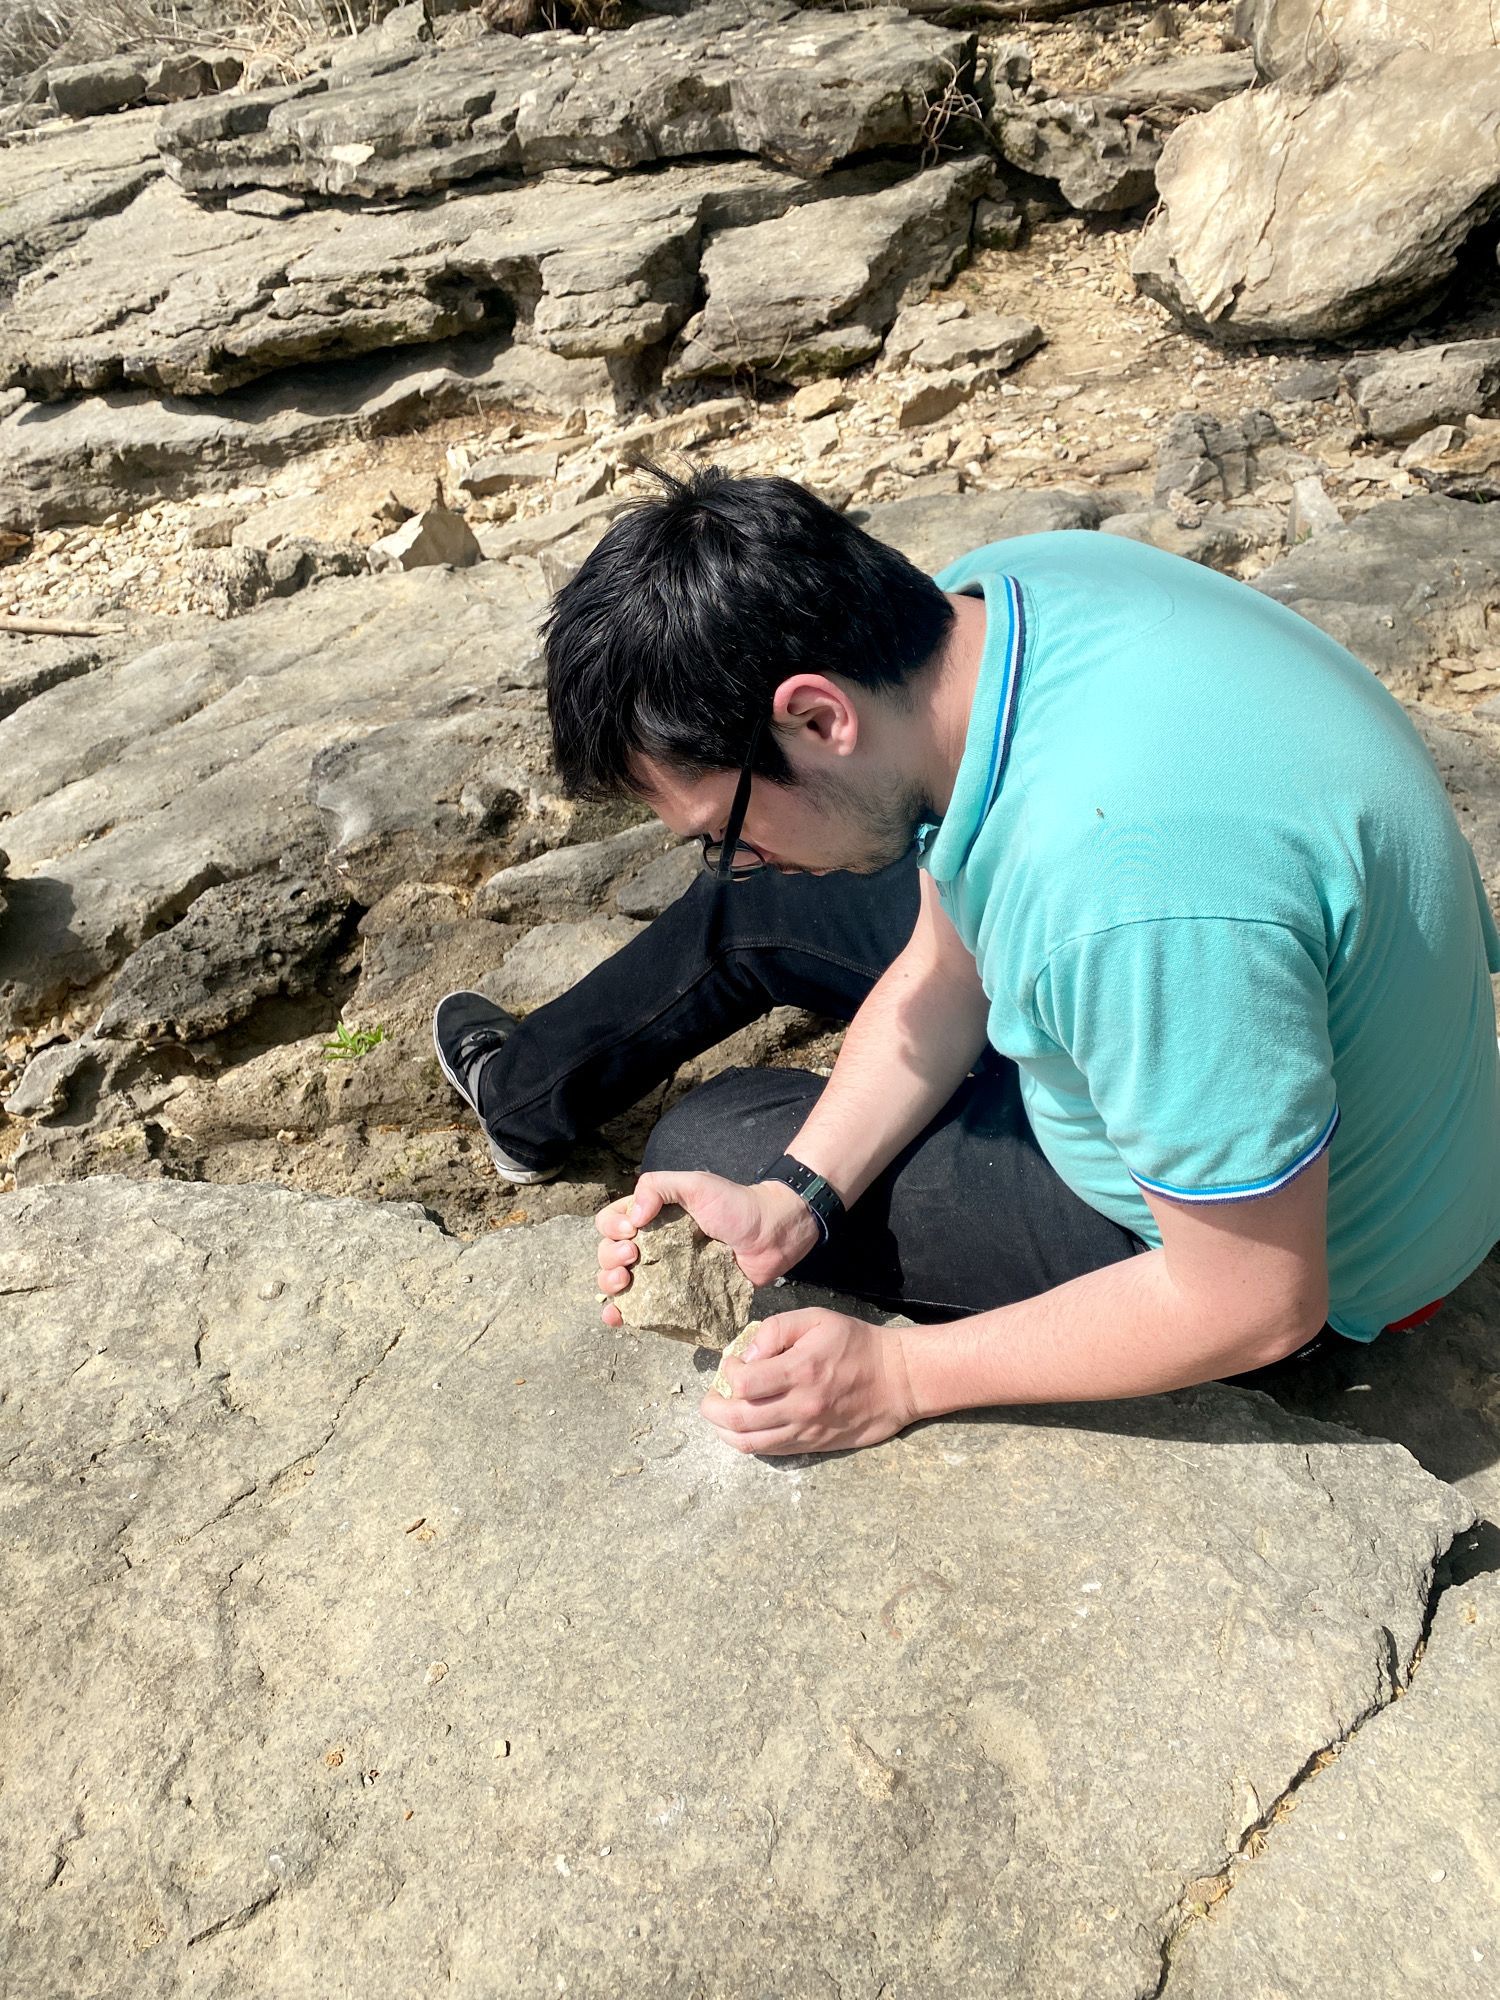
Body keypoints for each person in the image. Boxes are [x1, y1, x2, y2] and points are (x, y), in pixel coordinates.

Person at [433, 467, 1500, 1457]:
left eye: (723, 828)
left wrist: (900, 1373)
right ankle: (526, 1093)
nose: (733, 858)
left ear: (818, 714)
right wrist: (797, 1197)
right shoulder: (1014, 596)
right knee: (759, 925)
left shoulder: (1121, 893)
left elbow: (1256, 1301)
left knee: (713, 1134)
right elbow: (953, 965)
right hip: (1303, 1023)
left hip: (1313, 1255)